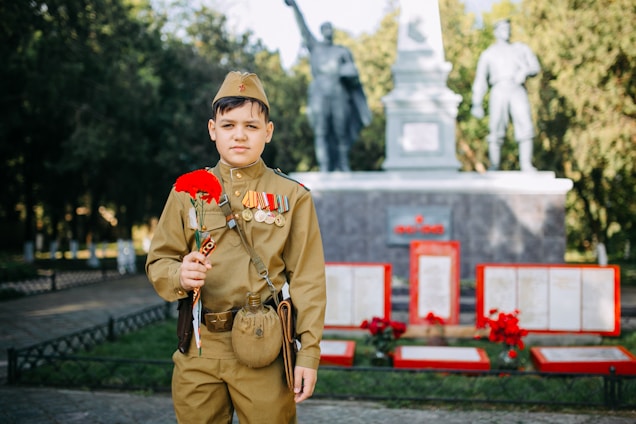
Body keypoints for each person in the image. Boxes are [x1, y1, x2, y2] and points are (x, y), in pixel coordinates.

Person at [146, 71, 327, 423]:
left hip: (264, 346)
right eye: (228, 125)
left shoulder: (293, 196)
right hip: (200, 348)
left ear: (268, 132)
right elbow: (159, 260)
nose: (239, 135)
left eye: (251, 126)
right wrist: (179, 274)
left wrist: (309, 354)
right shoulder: (187, 191)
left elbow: (308, 279)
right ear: (212, 129)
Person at [284, 0, 371, 172]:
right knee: (321, 131)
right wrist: (294, 6)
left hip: (339, 93)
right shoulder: (315, 47)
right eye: (326, 28)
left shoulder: (342, 51)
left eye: (331, 28)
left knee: (341, 131)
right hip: (319, 94)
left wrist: (351, 76)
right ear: (322, 32)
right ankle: (325, 167)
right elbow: (303, 27)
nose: (329, 31)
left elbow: (353, 76)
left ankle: (343, 165)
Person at [471, 19, 540, 171]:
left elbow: (535, 67)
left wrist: (525, 71)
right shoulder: (488, 54)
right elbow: (480, 80)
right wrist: (477, 103)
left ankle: (526, 164)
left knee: (525, 125)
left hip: (517, 89)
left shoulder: (520, 49)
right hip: (498, 90)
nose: (506, 31)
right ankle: (494, 165)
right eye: (502, 29)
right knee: (495, 127)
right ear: (495, 32)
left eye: (508, 28)